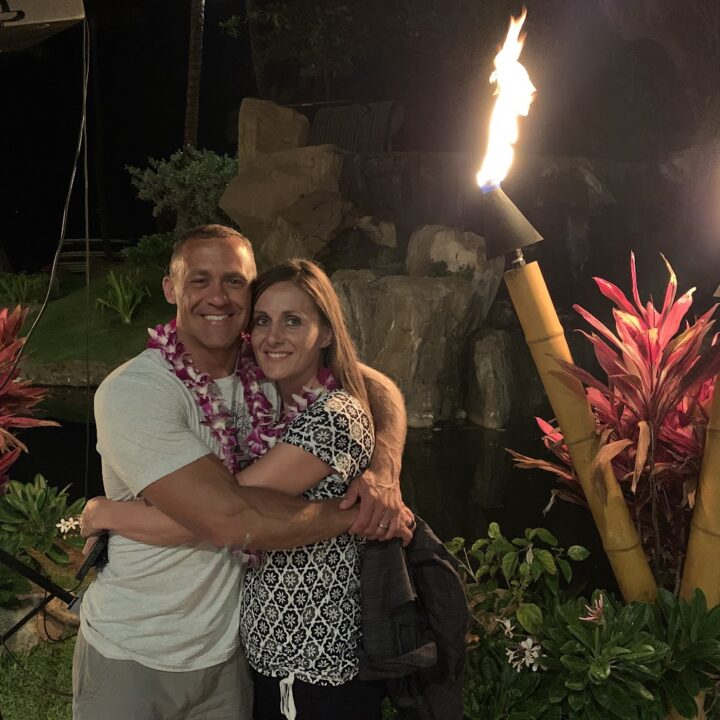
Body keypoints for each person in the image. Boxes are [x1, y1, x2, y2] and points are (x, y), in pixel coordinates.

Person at [75, 225, 411, 720]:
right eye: (199, 280)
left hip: (231, 659)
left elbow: (373, 385)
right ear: (171, 289)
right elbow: (224, 518)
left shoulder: (267, 370)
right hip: (137, 652)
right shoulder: (136, 392)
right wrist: (354, 516)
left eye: (234, 282)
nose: (217, 296)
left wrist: (384, 467)